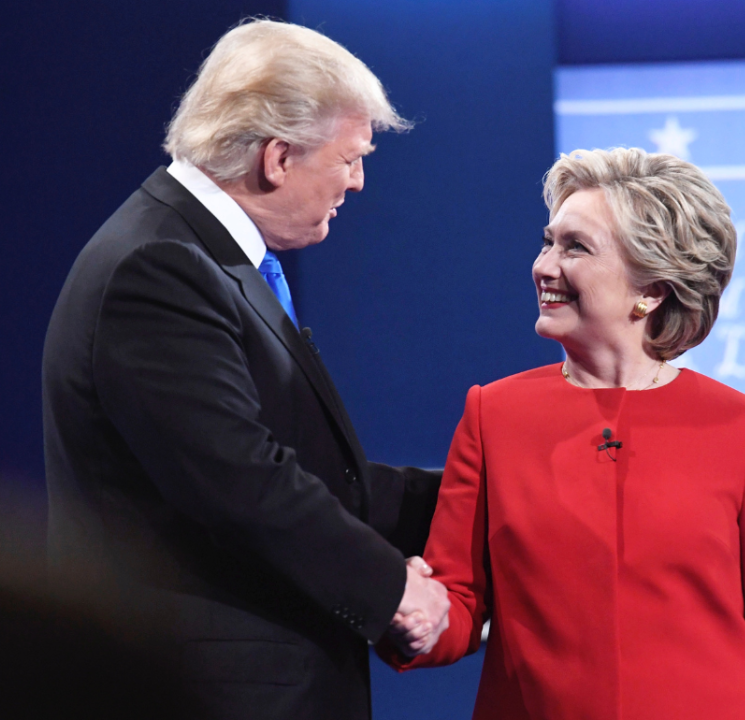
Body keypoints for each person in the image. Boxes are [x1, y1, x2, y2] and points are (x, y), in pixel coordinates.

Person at [43, 19, 449, 720]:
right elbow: (239, 480)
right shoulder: (160, 267)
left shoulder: (205, 257)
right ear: (278, 157)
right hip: (204, 692)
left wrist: (483, 497)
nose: (357, 182)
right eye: (350, 158)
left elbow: (310, 473)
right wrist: (391, 588)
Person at [381, 148, 745, 719]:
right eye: (549, 241)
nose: (544, 265)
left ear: (651, 288)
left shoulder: (739, 425)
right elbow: (458, 603)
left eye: (575, 247)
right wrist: (410, 613)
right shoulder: (492, 414)